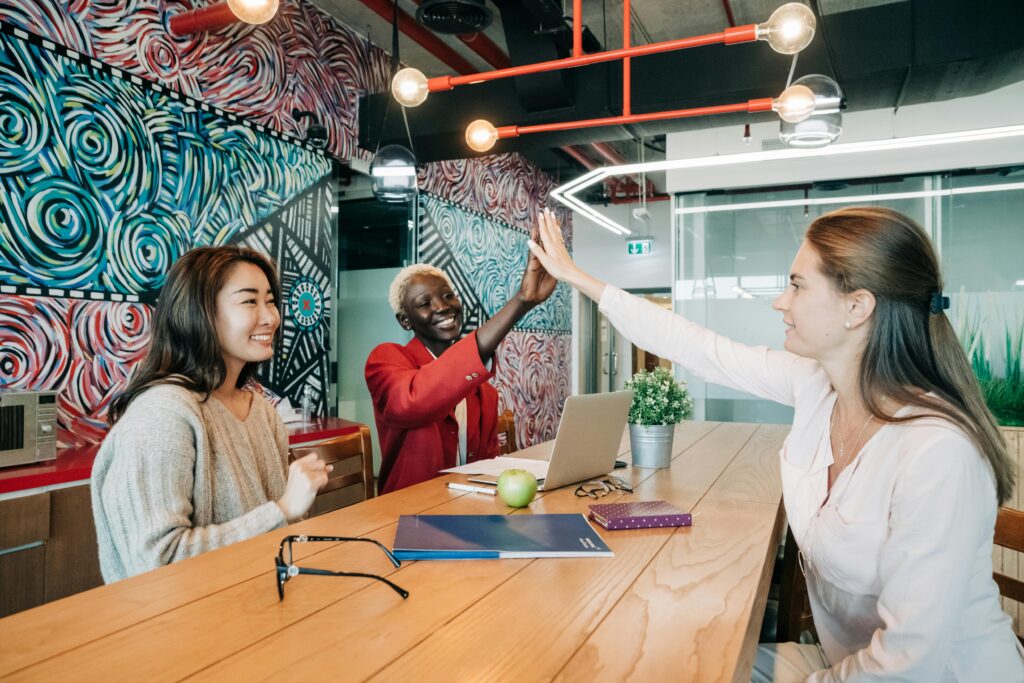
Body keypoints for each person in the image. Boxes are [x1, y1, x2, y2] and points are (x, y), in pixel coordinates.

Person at [527, 206, 1024, 682]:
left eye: (797, 285)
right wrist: (578, 278)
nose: (780, 301)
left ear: (857, 307)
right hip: (841, 664)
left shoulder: (938, 453)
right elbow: (700, 349)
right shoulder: (816, 385)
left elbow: (907, 665)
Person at [92, 246, 331, 583]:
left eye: (271, 301)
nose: (271, 317)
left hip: (253, 608)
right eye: (250, 301)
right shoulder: (162, 413)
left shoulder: (262, 412)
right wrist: (282, 510)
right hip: (176, 628)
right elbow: (156, 564)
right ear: (199, 312)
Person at [365, 222, 557, 494]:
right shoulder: (386, 360)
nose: (442, 307)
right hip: (407, 514)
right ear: (405, 321)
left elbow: (486, 468)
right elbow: (416, 398)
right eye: (424, 304)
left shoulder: (483, 394)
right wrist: (522, 301)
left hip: (467, 511)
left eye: (447, 296)